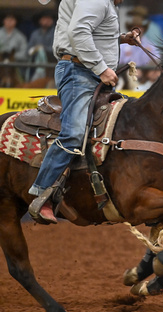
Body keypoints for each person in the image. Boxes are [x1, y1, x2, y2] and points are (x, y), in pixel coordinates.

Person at [28, 0, 141, 224]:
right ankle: (42, 193)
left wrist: (120, 38)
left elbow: (91, 31)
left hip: (86, 71)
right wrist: (101, 69)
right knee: (74, 133)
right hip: (81, 72)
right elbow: (78, 32)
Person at [27, 11, 56, 82]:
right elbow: (28, 51)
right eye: (44, 19)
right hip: (36, 65)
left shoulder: (56, 32)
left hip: (52, 65)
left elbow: (56, 49)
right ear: (40, 21)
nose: (47, 21)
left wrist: (43, 49)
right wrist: (35, 49)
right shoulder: (35, 34)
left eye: (49, 19)